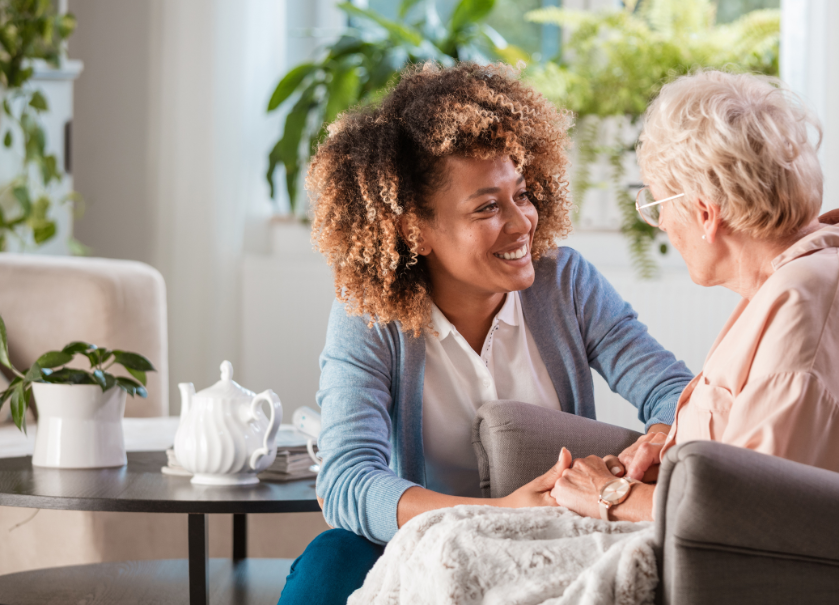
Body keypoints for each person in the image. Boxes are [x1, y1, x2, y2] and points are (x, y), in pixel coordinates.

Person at [277, 62, 694, 604]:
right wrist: (497, 513)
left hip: (551, 540)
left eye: (521, 194)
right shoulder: (369, 316)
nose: (522, 223)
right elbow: (348, 481)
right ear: (414, 229)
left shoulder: (564, 282)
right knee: (331, 561)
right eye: (488, 207)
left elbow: (673, 391)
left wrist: (660, 437)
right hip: (423, 545)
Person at [551, 70, 839, 522]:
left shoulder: (812, 306)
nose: (663, 226)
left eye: (656, 205)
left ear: (705, 212)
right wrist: (676, 450)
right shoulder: (812, 272)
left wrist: (611, 495)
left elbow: (753, 514)